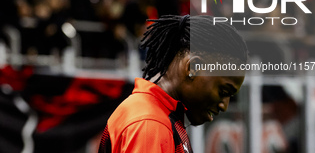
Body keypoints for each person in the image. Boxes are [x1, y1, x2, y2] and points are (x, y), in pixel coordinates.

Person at [98, 15, 248, 153]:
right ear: (193, 67)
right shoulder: (150, 123)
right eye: (223, 91)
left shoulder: (160, 116)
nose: (224, 106)